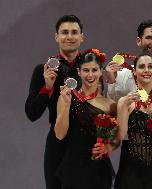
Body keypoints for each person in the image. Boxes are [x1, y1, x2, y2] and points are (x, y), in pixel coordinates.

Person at [25, 15, 84, 189]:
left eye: (74, 32)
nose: (70, 36)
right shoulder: (44, 70)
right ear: (56, 37)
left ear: (82, 37)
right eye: (64, 32)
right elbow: (31, 114)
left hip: (84, 141)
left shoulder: (91, 70)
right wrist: (48, 87)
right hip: (57, 143)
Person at [54, 49, 117, 189]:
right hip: (73, 167)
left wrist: (108, 147)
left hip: (99, 169)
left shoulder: (110, 104)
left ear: (101, 71)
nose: (90, 75)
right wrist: (66, 104)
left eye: (94, 70)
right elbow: (59, 134)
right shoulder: (66, 97)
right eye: (86, 70)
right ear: (79, 71)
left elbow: (117, 137)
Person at [114, 53, 152, 189]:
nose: (146, 70)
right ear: (135, 72)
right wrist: (125, 106)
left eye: (150, 67)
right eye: (141, 67)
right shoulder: (125, 101)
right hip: (133, 170)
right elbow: (120, 135)